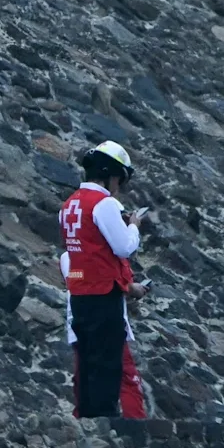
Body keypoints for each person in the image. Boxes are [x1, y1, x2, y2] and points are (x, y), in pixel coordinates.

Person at [59, 140, 141, 418]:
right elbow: (124, 247)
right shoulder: (103, 204)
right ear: (110, 175)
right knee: (107, 361)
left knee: (87, 361)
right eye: (119, 178)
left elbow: (75, 255)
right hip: (103, 293)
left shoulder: (69, 204)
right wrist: (133, 227)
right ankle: (106, 418)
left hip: (80, 294)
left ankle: (87, 417)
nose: (119, 185)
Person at [59, 252, 149, 419]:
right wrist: (129, 287)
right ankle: (134, 422)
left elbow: (76, 277)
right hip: (105, 324)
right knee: (126, 377)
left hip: (82, 323)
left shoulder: (69, 258)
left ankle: (86, 419)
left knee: (85, 373)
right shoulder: (95, 257)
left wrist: (121, 287)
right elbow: (83, 277)